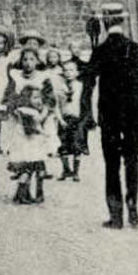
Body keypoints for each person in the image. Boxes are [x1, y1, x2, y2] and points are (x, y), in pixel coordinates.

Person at [84, 2, 138, 229]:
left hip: (109, 114)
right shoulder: (135, 49)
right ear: (122, 22)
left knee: (111, 163)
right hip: (133, 113)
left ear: (105, 22)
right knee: (132, 160)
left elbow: (88, 85)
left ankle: (116, 215)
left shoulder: (100, 50)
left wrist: (88, 115)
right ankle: (132, 204)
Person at [5, 48, 59, 204]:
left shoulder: (43, 77)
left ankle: (39, 191)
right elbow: (9, 97)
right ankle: (23, 192)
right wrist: (15, 111)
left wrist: (42, 115)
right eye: (25, 60)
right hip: (22, 122)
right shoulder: (16, 77)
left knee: (38, 156)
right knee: (25, 156)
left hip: (41, 120)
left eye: (32, 59)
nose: (28, 63)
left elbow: (50, 99)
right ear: (21, 62)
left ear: (37, 61)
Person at [57, 53, 88, 182]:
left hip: (77, 119)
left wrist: (84, 120)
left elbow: (85, 104)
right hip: (64, 119)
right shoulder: (60, 87)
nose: (68, 73)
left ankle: (76, 172)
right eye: (65, 70)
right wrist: (60, 119)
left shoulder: (80, 86)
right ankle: (65, 170)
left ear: (77, 72)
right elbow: (56, 105)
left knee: (76, 146)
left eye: (71, 70)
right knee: (63, 145)